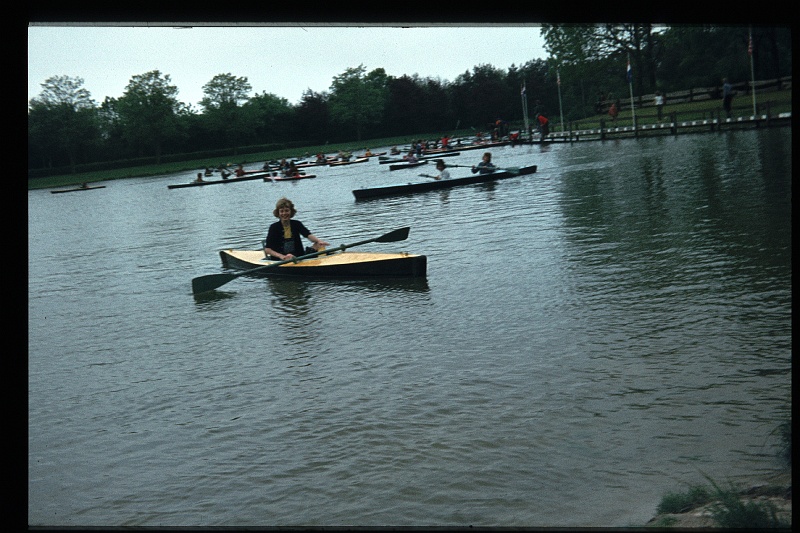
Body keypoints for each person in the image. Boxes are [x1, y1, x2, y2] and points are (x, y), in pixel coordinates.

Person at [263, 197, 330, 261]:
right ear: (278, 213)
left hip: (298, 257)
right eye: (282, 211)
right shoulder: (274, 227)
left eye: (287, 211)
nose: (284, 213)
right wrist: (282, 257)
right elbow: (267, 249)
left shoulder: (297, 224)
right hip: (281, 259)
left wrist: (319, 241)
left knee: (318, 244)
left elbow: (308, 235)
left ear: (291, 211)